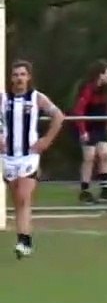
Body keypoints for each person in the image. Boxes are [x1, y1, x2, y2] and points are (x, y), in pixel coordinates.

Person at [2, 60, 65, 259]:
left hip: (29, 155)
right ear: (11, 78)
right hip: (9, 156)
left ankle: (24, 241)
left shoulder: (37, 98)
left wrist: (46, 140)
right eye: (15, 74)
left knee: (23, 197)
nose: (19, 78)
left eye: (22, 74)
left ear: (29, 77)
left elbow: (59, 117)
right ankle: (23, 239)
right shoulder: (3, 99)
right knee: (16, 200)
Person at [71, 60, 107, 204]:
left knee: (104, 154)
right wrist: (82, 131)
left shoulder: (105, 89)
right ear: (101, 73)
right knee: (89, 157)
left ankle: (105, 190)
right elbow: (79, 110)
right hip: (88, 127)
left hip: (100, 127)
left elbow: (106, 107)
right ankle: (85, 191)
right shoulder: (87, 88)